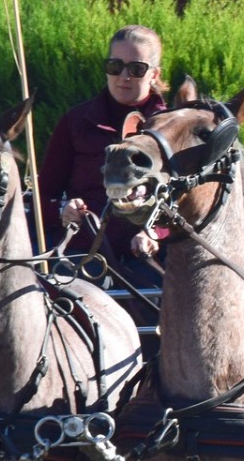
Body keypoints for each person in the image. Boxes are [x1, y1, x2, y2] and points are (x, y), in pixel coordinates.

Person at [38, 24, 170, 287]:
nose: (124, 76)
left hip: (148, 259)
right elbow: (42, 196)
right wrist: (63, 210)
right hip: (83, 254)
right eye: (115, 66)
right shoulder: (75, 121)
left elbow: (188, 202)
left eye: (136, 68)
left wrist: (155, 232)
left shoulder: (171, 127)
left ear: (154, 74)